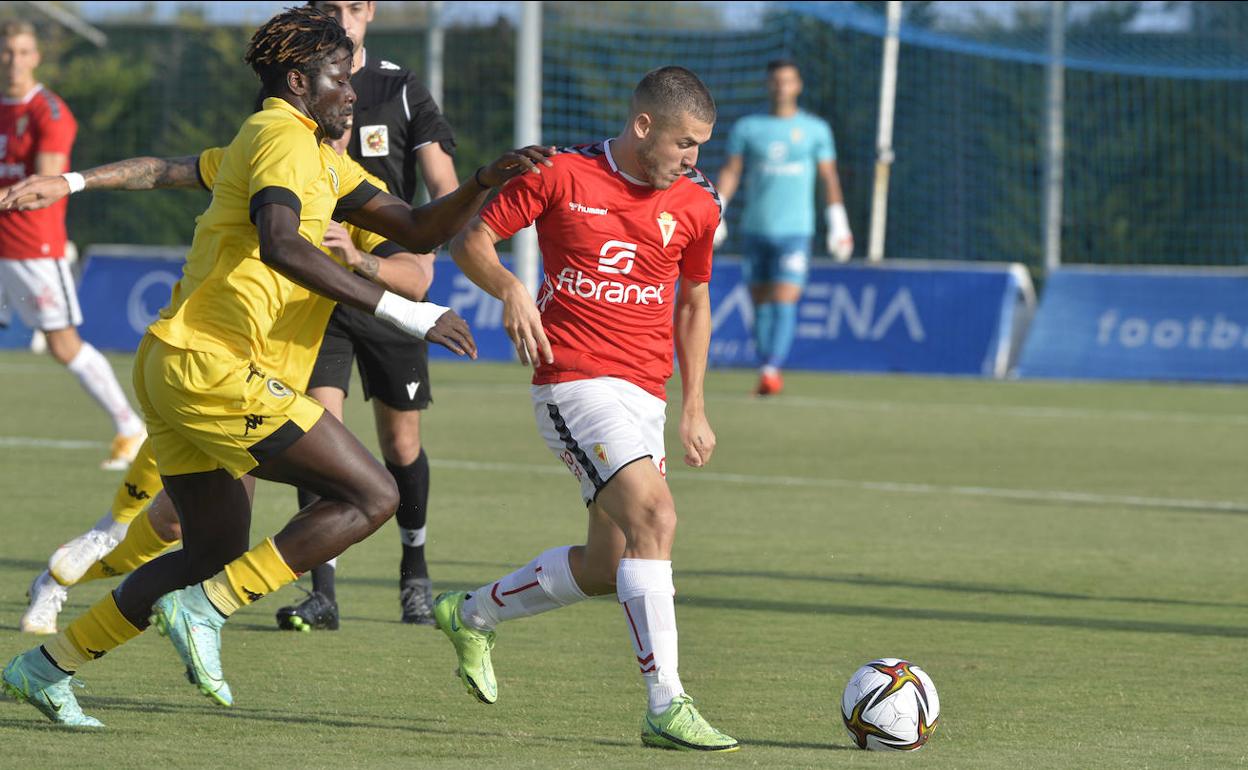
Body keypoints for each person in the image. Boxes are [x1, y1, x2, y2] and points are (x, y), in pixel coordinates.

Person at [0, 6, 550, 728]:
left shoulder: (299, 149)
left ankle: (46, 666)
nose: (351, 91)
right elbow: (283, 245)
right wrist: (410, 314)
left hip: (179, 362)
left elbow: (418, 227)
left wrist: (483, 178)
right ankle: (208, 610)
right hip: (212, 365)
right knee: (373, 495)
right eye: (336, 78)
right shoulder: (283, 138)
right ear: (298, 81)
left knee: (212, 548)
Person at [19, 135, 431, 635]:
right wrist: (70, 181)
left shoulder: (351, 193)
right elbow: (159, 169)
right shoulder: (261, 162)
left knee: (183, 534)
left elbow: (414, 275)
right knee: (150, 521)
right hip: (206, 372)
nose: (341, 119)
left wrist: (358, 259)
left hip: (266, 393)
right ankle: (95, 576)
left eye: (349, 103)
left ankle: (61, 600)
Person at [438, 66, 738, 752]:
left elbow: (694, 301)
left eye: (701, 145)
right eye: (685, 142)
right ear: (643, 127)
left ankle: (471, 613)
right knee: (656, 515)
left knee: (608, 566)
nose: (693, 157)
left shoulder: (698, 203)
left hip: (645, 396)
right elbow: (469, 240)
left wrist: (694, 406)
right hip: (574, 383)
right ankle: (667, 703)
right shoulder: (561, 174)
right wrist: (512, 287)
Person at [276, 0, 463, 632]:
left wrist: (432, 245)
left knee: (399, 443)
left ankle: (414, 573)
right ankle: (321, 591)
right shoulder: (294, 89)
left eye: (354, 5)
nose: (345, 17)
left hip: (386, 282)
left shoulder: (400, 88)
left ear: (371, 13)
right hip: (319, 285)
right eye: (332, 7)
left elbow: (442, 184)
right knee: (317, 437)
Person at [0, 20, 146, 469]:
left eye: (23, 52)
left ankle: (130, 429)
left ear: (36, 57)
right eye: (7, 52)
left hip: (33, 248)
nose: (14, 61)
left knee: (63, 345)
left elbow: (39, 188)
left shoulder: (49, 112)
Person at [713, 58, 853, 397]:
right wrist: (716, 211)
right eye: (776, 81)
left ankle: (772, 369)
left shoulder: (815, 130)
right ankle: (766, 365)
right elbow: (732, 170)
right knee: (759, 302)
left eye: (788, 81)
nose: (781, 87)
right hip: (756, 228)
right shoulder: (749, 127)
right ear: (768, 84)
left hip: (796, 231)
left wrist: (838, 224)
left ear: (798, 85)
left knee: (785, 297)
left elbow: (828, 176)